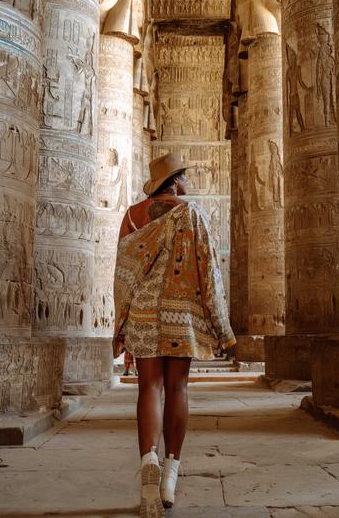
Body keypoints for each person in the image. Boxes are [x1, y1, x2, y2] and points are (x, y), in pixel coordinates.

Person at [114, 153, 235, 518]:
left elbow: (123, 273)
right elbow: (209, 270)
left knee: (149, 387)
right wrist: (221, 327)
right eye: (184, 178)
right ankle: (169, 471)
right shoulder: (192, 213)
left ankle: (147, 464)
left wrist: (121, 325)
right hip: (182, 312)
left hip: (144, 311)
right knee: (178, 388)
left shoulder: (133, 216)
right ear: (177, 181)